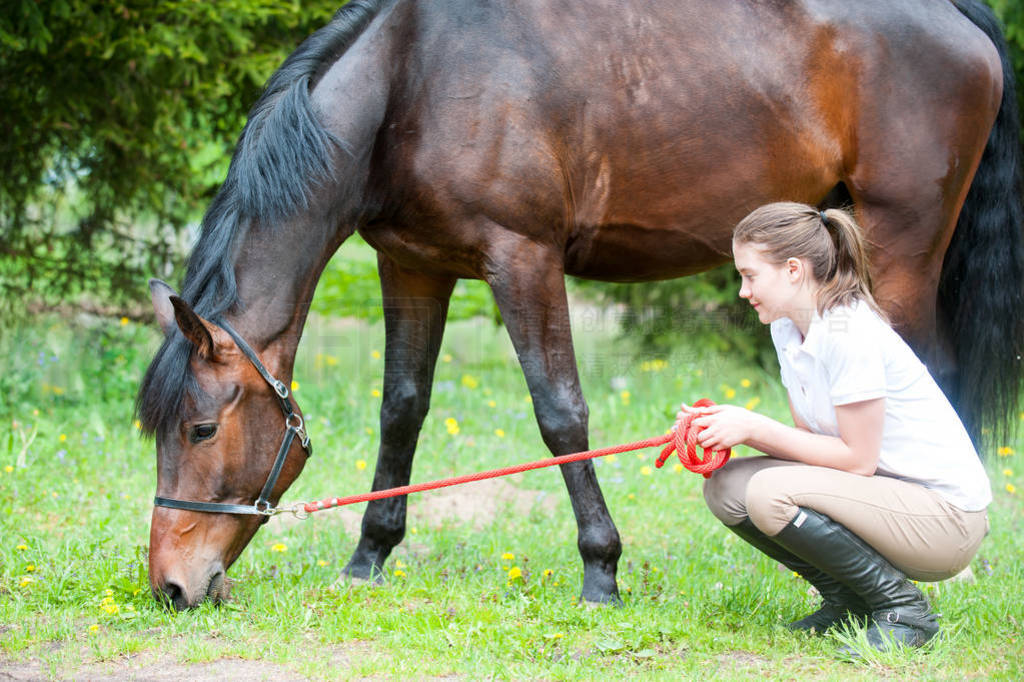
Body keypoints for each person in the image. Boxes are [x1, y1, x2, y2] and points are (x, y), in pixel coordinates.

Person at [684, 202, 991, 654]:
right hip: (885, 499)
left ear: (792, 270)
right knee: (726, 488)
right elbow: (813, 446)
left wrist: (750, 427)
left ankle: (904, 610)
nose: (743, 291)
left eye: (750, 276)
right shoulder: (788, 329)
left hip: (944, 522)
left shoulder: (848, 333)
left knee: (771, 494)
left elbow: (857, 460)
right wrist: (713, 426)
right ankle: (847, 599)